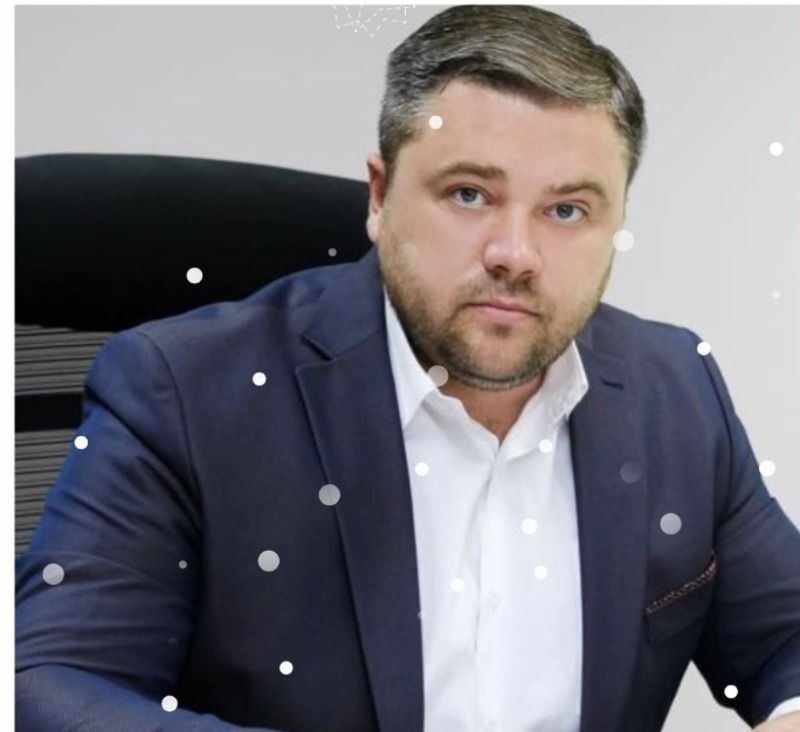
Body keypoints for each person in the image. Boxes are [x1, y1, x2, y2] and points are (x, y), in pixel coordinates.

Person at [15, 5, 800, 731]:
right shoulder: (180, 390)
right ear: (381, 196)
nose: (516, 254)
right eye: (470, 194)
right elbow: (51, 683)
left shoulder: (674, 388)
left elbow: (785, 639)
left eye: (567, 211)